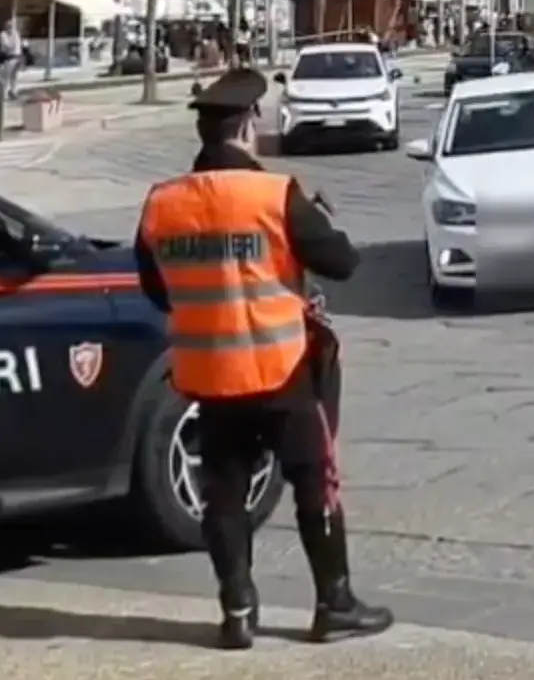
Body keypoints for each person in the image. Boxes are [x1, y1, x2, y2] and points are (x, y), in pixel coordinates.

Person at [133, 68, 391, 651]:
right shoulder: (274, 194)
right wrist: (317, 221)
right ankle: (335, 603)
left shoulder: (162, 203)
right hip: (282, 372)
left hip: (209, 376)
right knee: (312, 482)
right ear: (248, 126)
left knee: (222, 492)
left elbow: (156, 289)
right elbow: (343, 262)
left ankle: (237, 612)